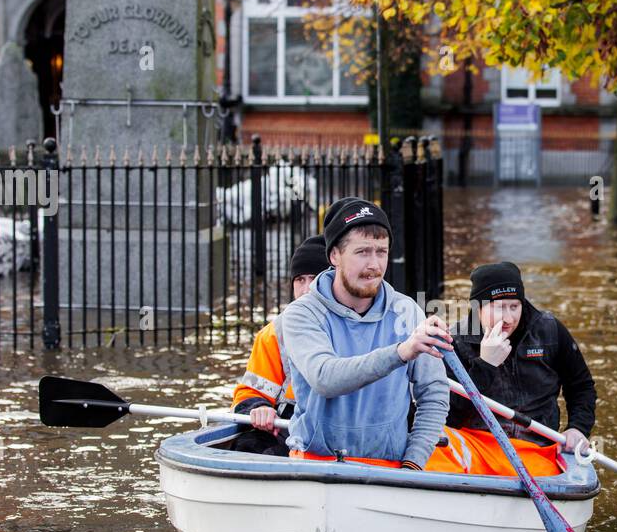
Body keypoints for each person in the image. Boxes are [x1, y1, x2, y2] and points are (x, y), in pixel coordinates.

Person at [276, 197, 452, 470]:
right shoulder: (301, 313)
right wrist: (401, 352)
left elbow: (434, 392)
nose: (374, 264)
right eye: (362, 252)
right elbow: (325, 378)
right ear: (334, 256)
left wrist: (413, 463)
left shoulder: (406, 310)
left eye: (381, 252)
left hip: (388, 469)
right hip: (314, 465)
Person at [448, 261, 597, 459]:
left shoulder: (549, 330)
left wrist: (578, 428)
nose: (509, 318)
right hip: (478, 448)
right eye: (500, 307)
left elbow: (581, 387)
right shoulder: (454, 342)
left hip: (539, 446)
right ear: (478, 308)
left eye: (514, 306)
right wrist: (485, 366)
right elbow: (448, 415)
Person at [229, 235, 329, 455]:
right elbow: (249, 392)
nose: (306, 289)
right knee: (248, 447)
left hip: (339, 430)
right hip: (288, 427)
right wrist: (260, 407)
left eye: (314, 278)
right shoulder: (273, 334)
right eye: (299, 280)